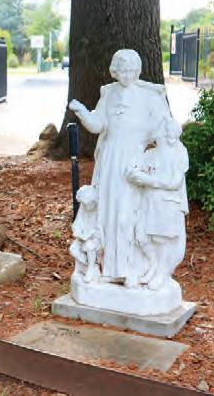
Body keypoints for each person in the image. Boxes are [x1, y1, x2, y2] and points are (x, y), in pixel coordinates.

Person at [69, 49, 171, 288]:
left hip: (133, 161)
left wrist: (158, 158)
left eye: (131, 71)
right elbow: (98, 124)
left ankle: (132, 268)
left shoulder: (149, 97)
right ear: (114, 71)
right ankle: (108, 268)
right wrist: (82, 112)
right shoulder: (109, 93)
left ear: (138, 70)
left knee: (128, 214)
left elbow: (163, 129)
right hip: (109, 159)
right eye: (122, 71)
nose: (126, 75)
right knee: (107, 213)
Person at [127, 117, 189, 290]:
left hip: (167, 202)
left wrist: (149, 180)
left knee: (162, 239)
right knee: (143, 236)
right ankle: (152, 266)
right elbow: (134, 171)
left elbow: (174, 183)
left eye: (168, 133)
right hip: (148, 201)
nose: (164, 136)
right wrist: (136, 174)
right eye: (162, 133)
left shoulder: (179, 153)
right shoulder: (150, 154)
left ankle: (162, 273)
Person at [68, 185, 102, 283]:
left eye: (87, 204)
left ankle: (91, 269)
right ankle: (84, 267)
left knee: (89, 246)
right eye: (83, 204)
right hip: (83, 238)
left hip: (96, 240)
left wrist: (88, 235)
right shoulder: (84, 208)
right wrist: (78, 232)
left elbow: (100, 230)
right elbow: (77, 224)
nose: (85, 207)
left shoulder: (100, 210)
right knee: (73, 249)